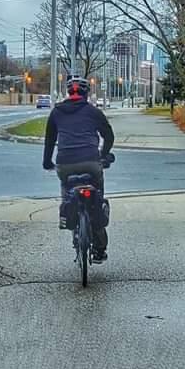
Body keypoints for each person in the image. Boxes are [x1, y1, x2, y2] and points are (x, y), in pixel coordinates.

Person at [43, 76, 115, 261]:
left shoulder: (57, 112)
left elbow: (50, 140)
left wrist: (47, 162)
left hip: (65, 163)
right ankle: (99, 247)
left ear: (68, 93)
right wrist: (104, 154)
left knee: (67, 191)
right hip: (91, 162)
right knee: (97, 197)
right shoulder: (93, 111)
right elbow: (109, 135)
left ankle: (69, 216)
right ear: (86, 93)